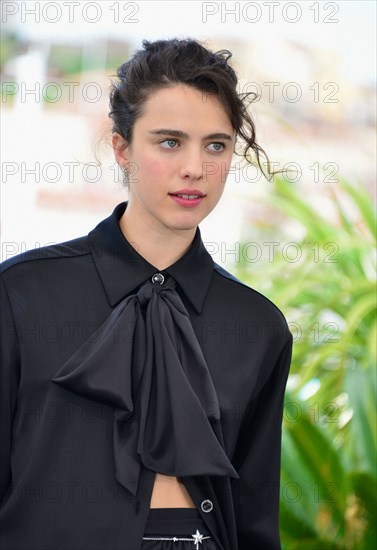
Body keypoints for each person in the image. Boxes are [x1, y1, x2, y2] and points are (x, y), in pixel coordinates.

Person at [0, 38, 293, 550]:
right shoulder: (20, 293)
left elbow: (254, 516)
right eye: (169, 142)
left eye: (216, 145)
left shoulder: (258, 326)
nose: (195, 169)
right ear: (121, 148)